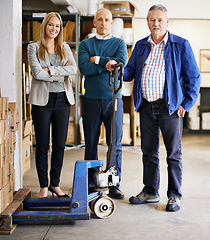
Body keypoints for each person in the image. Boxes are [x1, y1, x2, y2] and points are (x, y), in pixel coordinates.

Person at [124, 5, 201, 212]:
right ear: (147, 22)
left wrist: (186, 104)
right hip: (146, 106)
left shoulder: (180, 45)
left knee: (173, 154)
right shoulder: (141, 46)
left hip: (171, 108)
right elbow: (129, 71)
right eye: (151, 20)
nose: (155, 23)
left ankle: (174, 195)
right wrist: (114, 69)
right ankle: (150, 191)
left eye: (160, 20)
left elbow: (193, 77)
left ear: (167, 22)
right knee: (148, 152)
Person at [78, 8, 128, 199]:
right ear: (94, 22)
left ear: (111, 23)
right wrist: (106, 65)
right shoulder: (85, 44)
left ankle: (113, 182)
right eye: (100, 20)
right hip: (91, 99)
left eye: (107, 20)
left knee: (114, 143)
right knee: (90, 142)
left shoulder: (119, 43)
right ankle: (91, 182)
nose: (103, 23)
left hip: (114, 99)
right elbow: (84, 68)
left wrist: (97, 60)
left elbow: (120, 64)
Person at [27, 12, 77, 198]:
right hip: (42, 101)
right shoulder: (33, 48)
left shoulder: (64, 47)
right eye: (51, 25)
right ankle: (43, 186)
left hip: (62, 100)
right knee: (42, 145)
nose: (54, 29)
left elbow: (73, 70)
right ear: (44, 26)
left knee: (59, 145)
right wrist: (60, 72)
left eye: (57, 26)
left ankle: (55, 184)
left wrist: (51, 70)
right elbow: (37, 73)